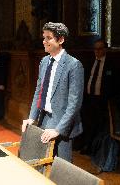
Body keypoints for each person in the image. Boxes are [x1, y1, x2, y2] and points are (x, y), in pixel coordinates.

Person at [22, 22, 84, 162]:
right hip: (44, 119)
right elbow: (39, 92)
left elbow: (74, 104)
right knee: (41, 163)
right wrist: (32, 117)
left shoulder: (74, 65)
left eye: (48, 38)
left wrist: (58, 130)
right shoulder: (44, 61)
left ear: (61, 40)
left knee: (61, 167)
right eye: (44, 37)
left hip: (62, 125)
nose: (44, 41)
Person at [80, 39, 119, 155]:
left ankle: (95, 149)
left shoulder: (111, 64)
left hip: (102, 101)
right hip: (89, 99)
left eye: (100, 48)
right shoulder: (90, 62)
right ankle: (87, 146)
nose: (97, 51)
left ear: (105, 49)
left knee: (99, 125)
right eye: (95, 49)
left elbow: (115, 84)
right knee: (87, 123)